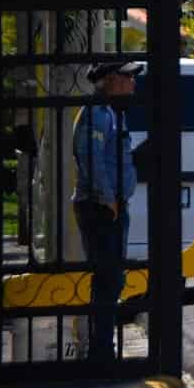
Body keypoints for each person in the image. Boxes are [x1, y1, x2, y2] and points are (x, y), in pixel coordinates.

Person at [72, 60, 141, 364]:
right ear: (112, 79)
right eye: (128, 77)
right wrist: (106, 198)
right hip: (101, 208)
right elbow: (90, 156)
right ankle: (101, 353)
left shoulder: (112, 112)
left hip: (111, 206)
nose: (132, 83)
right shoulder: (98, 113)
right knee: (107, 279)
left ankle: (104, 348)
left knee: (112, 280)